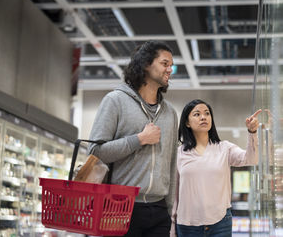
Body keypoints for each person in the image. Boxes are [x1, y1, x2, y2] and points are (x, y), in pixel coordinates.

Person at [88, 40, 178, 237]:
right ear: (146, 64)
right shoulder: (115, 101)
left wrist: (170, 211)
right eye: (165, 64)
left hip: (159, 210)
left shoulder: (170, 113)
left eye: (171, 65)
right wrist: (139, 139)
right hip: (119, 206)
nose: (170, 69)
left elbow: (172, 163)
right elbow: (95, 152)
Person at [171, 99, 261, 237]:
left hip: (220, 223)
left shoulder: (225, 148)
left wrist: (252, 132)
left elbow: (251, 158)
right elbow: (174, 194)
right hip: (187, 225)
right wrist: (172, 227)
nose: (203, 117)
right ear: (187, 122)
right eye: (197, 114)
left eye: (207, 113)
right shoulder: (179, 153)